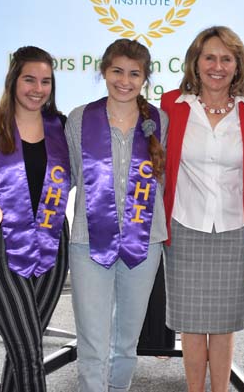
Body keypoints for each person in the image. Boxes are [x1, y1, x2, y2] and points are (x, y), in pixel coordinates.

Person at [161, 26, 244, 392]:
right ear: (195, 62)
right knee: (191, 323)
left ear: (238, 66)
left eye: (226, 58)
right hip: (185, 225)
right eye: (210, 57)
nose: (217, 65)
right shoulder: (172, 105)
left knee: (223, 323)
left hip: (234, 229)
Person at [65, 38, 168, 392]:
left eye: (134, 74)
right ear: (104, 72)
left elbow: (163, 181)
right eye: (117, 71)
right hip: (89, 242)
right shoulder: (80, 118)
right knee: (93, 342)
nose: (125, 81)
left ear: (145, 78)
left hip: (145, 242)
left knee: (126, 342)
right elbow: (70, 175)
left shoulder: (159, 120)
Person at [0, 46, 70, 391]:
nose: (37, 88)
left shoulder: (61, 126)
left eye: (45, 81)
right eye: (29, 79)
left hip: (52, 244)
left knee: (22, 347)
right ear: (14, 79)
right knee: (29, 352)